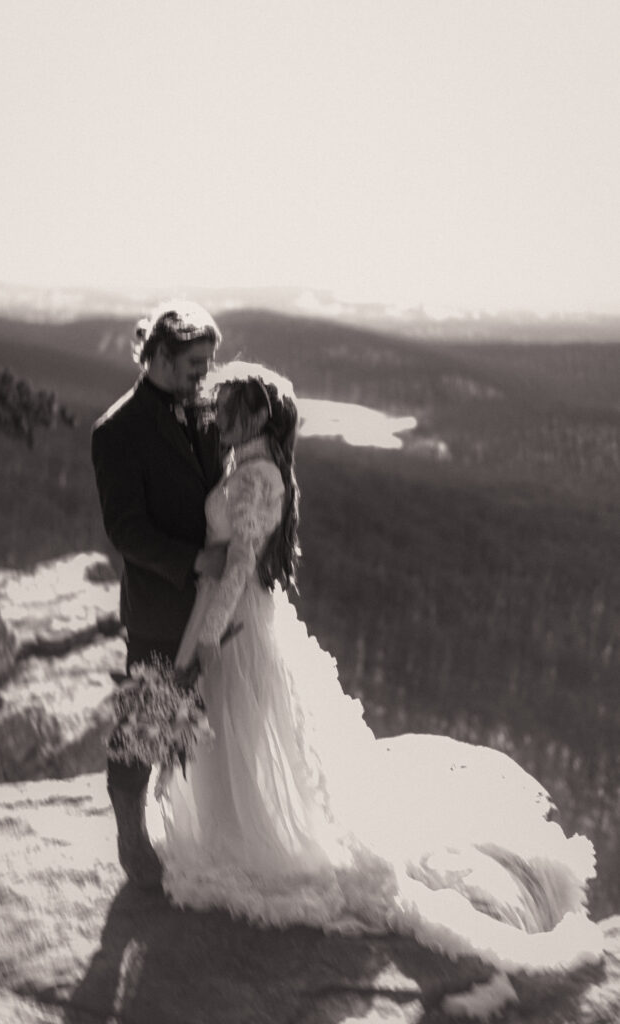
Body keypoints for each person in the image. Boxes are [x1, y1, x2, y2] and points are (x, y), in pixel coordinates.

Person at [136, 359, 603, 998]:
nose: (221, 416)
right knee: (235, 735)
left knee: (240, 727)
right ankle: (237, 830)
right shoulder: (249, 466)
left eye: (233, 407)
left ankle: (253, 843)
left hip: (233, 618)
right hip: (227, 609)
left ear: (257, 415)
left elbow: (242, 564)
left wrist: (204, 643)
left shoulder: (256, 476)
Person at [91, 300, 227, 888]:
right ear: (162, 355)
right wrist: (193, 560)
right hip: (161, 601)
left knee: (190, 722)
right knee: (147, 720)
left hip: (217, 602)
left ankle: (191, 826)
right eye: (197, 361)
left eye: (209, 361)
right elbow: (126, 531)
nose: (206, 372)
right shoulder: (116, 430)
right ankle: (130, 832)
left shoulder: (204, 412)